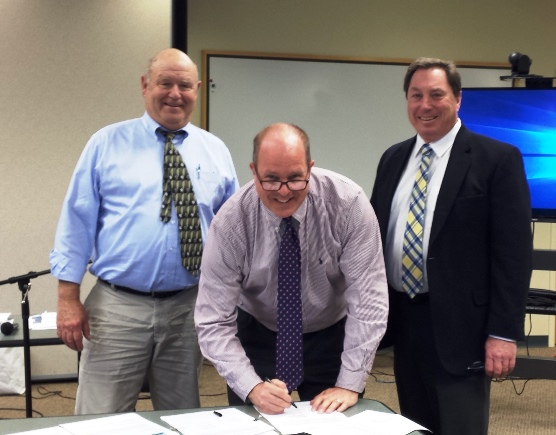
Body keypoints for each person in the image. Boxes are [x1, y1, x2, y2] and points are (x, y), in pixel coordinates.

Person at [50, 48, 239, 414]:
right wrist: (67, 298)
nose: (175, 93)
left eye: (184, 85)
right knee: (100, 418)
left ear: (197, 89)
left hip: (188, 306)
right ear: (144, 85)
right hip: (118, 306)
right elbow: (76, 222)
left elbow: (231, 232)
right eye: (164, 82)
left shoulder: (215, 150)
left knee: (181, 414)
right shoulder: (106, 144)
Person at [370, 57, 532, 434]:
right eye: (416, 95)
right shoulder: (393, 159)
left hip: (465, 328)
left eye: (436, 95)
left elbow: (513, 256)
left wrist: (503, 333)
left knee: (461, 426)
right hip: (405, 320)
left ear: (457, 99)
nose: (425, 105)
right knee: (415, 424)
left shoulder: (497, 160)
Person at [195, 122, 388, 415]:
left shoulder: (348, 205)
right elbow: (213, 321)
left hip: (330, 333)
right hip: (259, 332)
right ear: (253, 170)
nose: (284, 192)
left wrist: (349, 384)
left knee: (336, 426)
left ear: (310, 168)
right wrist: (251, 386)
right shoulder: (231, 222)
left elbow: (369, 302)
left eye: (296, 179)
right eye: (271, 180)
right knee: (255, 425)